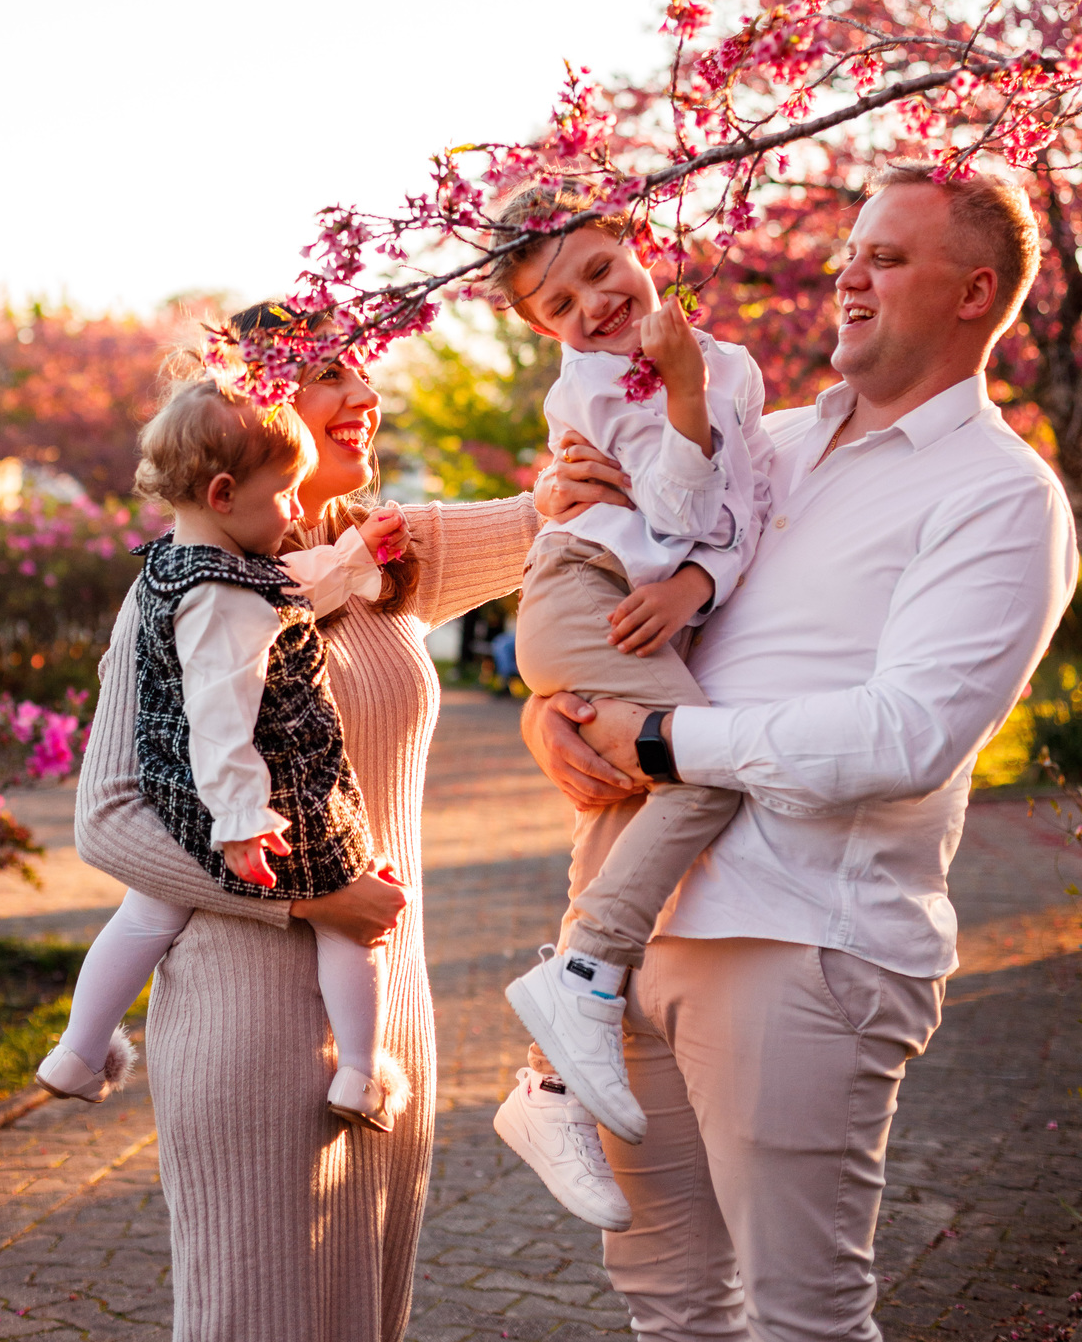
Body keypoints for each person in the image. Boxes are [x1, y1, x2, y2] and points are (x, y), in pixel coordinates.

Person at [517, 164, 1078, 1341]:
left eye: (886, 257)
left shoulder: (1001, 495)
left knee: (801, 1319)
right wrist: (553, 708)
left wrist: (664, 742)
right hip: (634, 941)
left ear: (975, 292)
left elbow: (909, 733)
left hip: (801, 943)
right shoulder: (761, 440)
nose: (847, 275)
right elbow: (614, 563)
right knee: (669, 1306)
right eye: (849, 253)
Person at [73, 303, 540, 1342]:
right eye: (331, 371)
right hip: (249, 1024)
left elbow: (566, 511)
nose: (365, 394)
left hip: (387, 1020)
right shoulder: (188, 590)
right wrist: (310, 899)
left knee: (366, 1319)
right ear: (255, 404)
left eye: (365, 369)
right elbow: (107, 821)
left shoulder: (386, 556)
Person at [481, 185, 770, 1205]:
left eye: (601, 270)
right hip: (583, 595)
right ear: (542, 330)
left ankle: (550, 1087)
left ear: (637, 243)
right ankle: (587, 977)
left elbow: (741, 514)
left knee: (621, 806)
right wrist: (683, 392)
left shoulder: (729, 365)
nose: (594, 307)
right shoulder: (597, 387)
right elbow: (680, 505)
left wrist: (696, 586)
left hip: (629, 602)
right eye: (560, 305)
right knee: (707, 771)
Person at [37, 374, 413, 1133]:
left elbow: (289, 595)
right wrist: (242, 820)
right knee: (352, 919)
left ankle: (77, 1053)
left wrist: (353, 555)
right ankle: (362, 1072)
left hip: (179, 790)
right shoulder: (230, 597)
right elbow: (220, 715)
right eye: (288, 494)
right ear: (223, 493)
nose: (298, 511)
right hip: (278, 796)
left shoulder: (177, 565)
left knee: (147, 913)